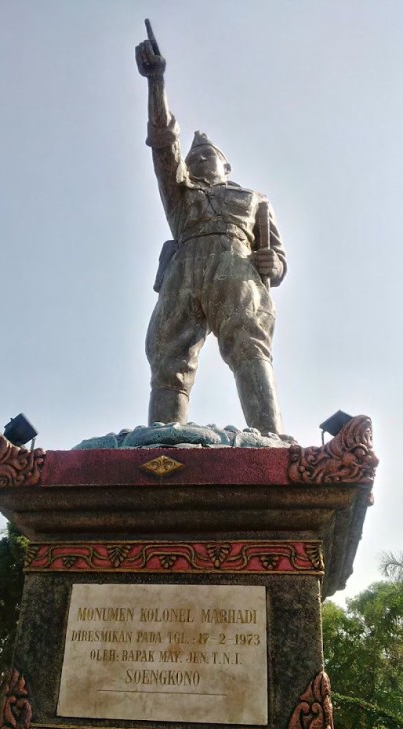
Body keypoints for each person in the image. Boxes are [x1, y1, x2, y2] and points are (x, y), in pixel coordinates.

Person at [136, 35, 287, 434]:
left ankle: (271, 436)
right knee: (168, 354)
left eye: (208, 156)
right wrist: (156, 83)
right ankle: (163, 440)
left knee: (249, 342)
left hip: (234, 264)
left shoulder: (254, 198)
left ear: (226, 166)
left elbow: (276, 253)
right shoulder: (180, 193)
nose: (199, 159)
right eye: (194, 157)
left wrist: (276, 264)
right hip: (184, 265)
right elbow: (164, 145)